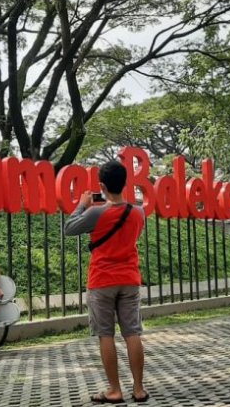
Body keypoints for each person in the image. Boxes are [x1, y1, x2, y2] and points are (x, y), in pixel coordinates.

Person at [64, 160, 148, 404]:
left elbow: (69, 228)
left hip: (102, 280)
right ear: (125, 183)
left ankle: (114, 390)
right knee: (133, 333)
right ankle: (139, 389)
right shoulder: (138, 211)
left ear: (102, 185)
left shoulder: (97, 212)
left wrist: (81, 205)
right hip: (130, 279)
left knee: (106, 335)